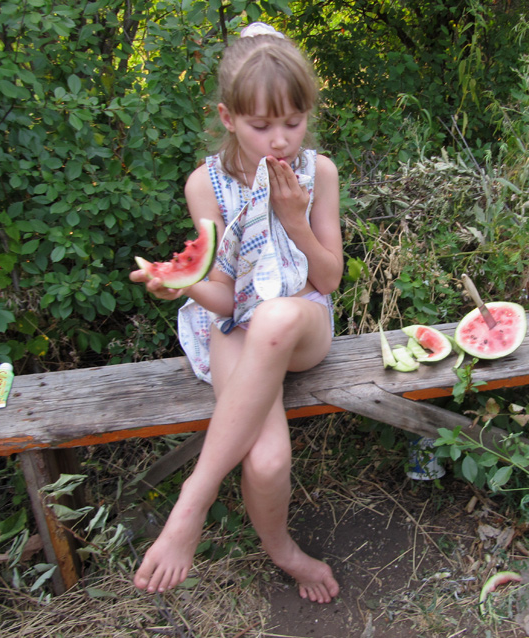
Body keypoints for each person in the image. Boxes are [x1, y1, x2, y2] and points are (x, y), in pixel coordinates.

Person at [129, 22, 342, 604]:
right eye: (261, 125)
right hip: (233, 325)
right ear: (228, 117)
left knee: (275, 317)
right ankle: (284, 552)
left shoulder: (318, 172)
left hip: (301, 323)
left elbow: (328, 279)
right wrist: (182, 283)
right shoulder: (206, 184)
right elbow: (225, 298)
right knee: (267, 461)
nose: (280, 140)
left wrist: (294, 218)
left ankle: (190, 503)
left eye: (293, 122)